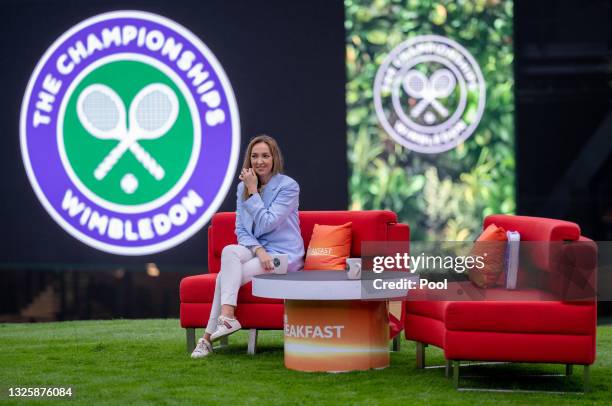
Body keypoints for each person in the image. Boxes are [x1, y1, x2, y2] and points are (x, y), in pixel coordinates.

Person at [191, 135, 304, 358]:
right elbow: (242, 230)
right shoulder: (242, 187)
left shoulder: (288, 186)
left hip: (283, 255)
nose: (259, 161)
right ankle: (228, 318)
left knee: (224, 277)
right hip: (258, 250)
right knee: (229, 250)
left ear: (274, 158)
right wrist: (259, 251)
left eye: (265, 156)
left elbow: (268, 221)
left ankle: (206, 338)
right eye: (254, 156)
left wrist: (253, 191)